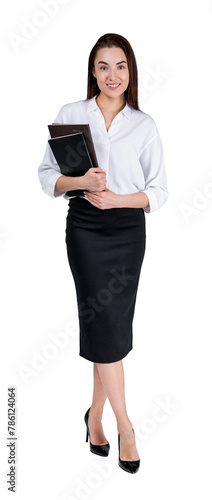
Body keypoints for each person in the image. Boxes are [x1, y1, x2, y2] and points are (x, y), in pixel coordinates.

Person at [38, 33, 168, 474]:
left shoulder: (144, 124)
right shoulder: (72, 114)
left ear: (131, 72)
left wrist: (117, 199)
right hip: (86, 230)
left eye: (121, 66)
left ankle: (95, 418)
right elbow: (47, 177)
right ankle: (126, 427)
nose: (113, 75)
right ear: (92, 71)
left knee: (109, 325)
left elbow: (159, 192)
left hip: (128, 231)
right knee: (104, 321)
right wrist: (83, 184)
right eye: (103, 66)